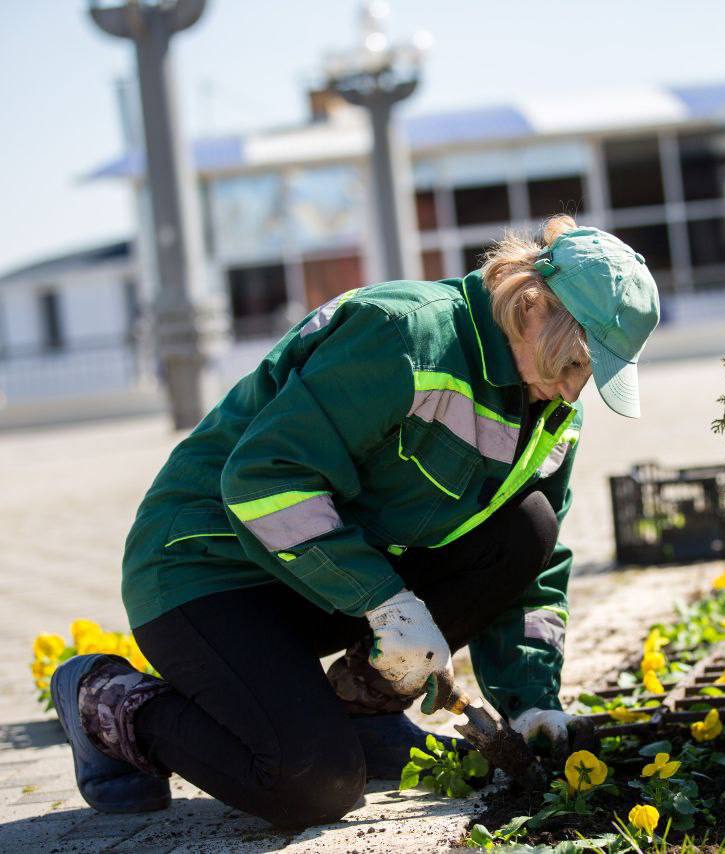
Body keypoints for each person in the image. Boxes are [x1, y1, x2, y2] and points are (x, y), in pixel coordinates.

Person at [50, 214, 660, 827]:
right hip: (207, 571)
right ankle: (108, 702)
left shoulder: (550, 405)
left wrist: (532, 703)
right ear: (532, 306)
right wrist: (385, 602)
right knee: (313, 785)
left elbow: (534, 565)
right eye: (578, 363)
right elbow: (266, 481)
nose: (576, 391)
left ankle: (361, 711)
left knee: (527, 525)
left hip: (319, 576)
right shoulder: (403, 334)